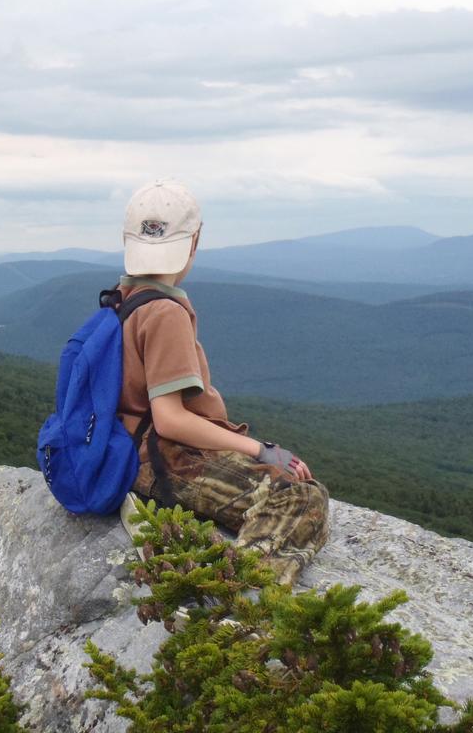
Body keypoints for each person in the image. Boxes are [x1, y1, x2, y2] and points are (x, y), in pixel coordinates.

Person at [117, 180, 330, 586]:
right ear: (193, 241)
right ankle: (234, 591)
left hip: (129, 449)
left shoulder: (123, 296)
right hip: (161, 458)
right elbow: (169, 420)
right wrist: (261, 450)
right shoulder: (164, 312)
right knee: (302, 498)